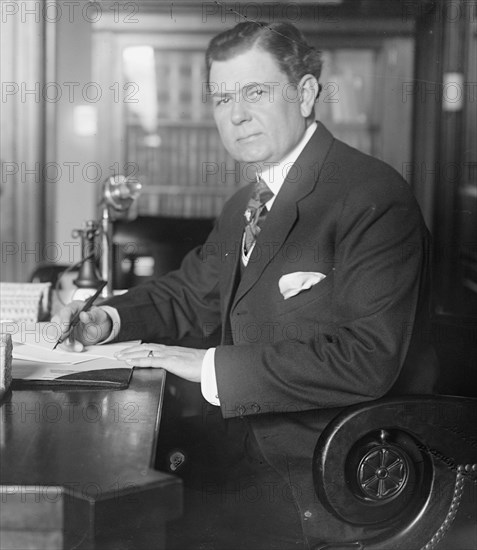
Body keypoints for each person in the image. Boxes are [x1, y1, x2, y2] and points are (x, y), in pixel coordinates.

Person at [53, 21, 437, 549]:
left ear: (305, 94)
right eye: (221, 98)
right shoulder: (247, 203)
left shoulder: (372, 195)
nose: (235, 114)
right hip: (236, 449)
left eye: (256, 92)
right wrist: (110, 318)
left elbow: (367, 357)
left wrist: (207, 365)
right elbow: (189, 293)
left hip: (323, 474)